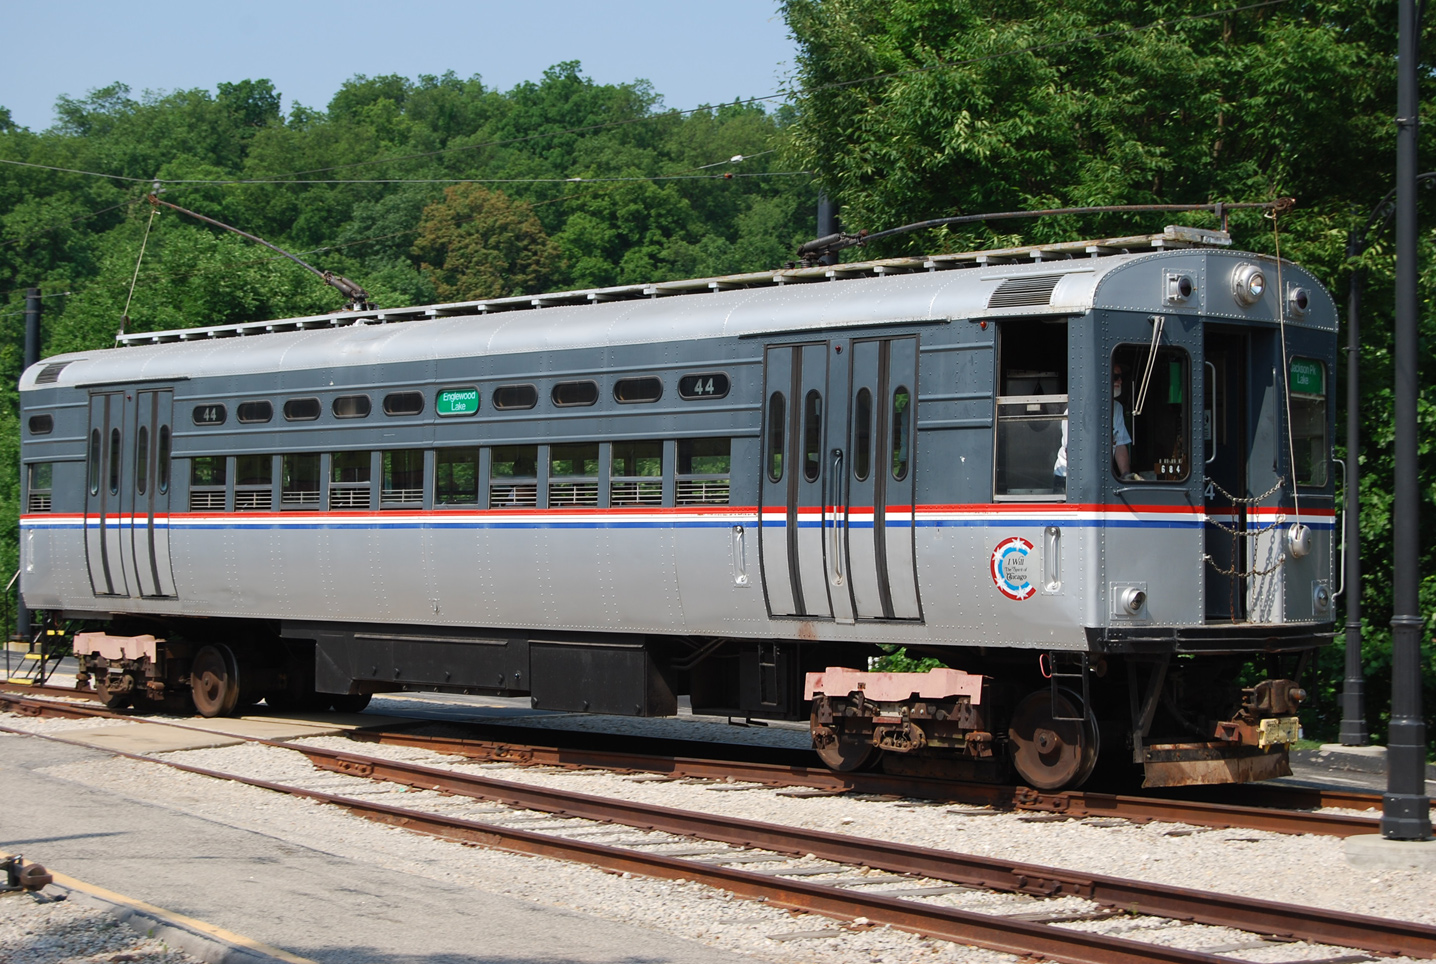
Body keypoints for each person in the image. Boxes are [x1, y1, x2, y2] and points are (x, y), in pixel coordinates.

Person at [1053, 364, 1133, 489]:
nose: (1120, 381)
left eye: (1121, 377)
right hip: (1069, 478)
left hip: (1100, 476)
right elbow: (1072, 450)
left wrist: (1125, 475)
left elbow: (1120, 444)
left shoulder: (1117, 408)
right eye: (1116, 377)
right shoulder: (1074, 410)